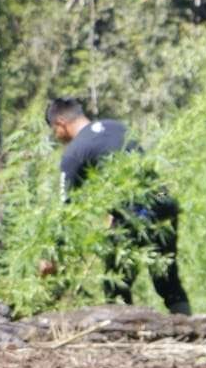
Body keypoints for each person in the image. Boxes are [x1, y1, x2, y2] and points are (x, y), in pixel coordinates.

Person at [43, 97, 191, 315]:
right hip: (163, 200)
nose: (57, 137)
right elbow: (143, 172)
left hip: (134, 212)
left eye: (54, 131)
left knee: (115, 284)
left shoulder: (74, 153)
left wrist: (52, 254)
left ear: (61, 123)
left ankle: (126, 339)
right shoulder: (117, 126)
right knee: (168, 279)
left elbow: (65, 207)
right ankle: (190, 333)